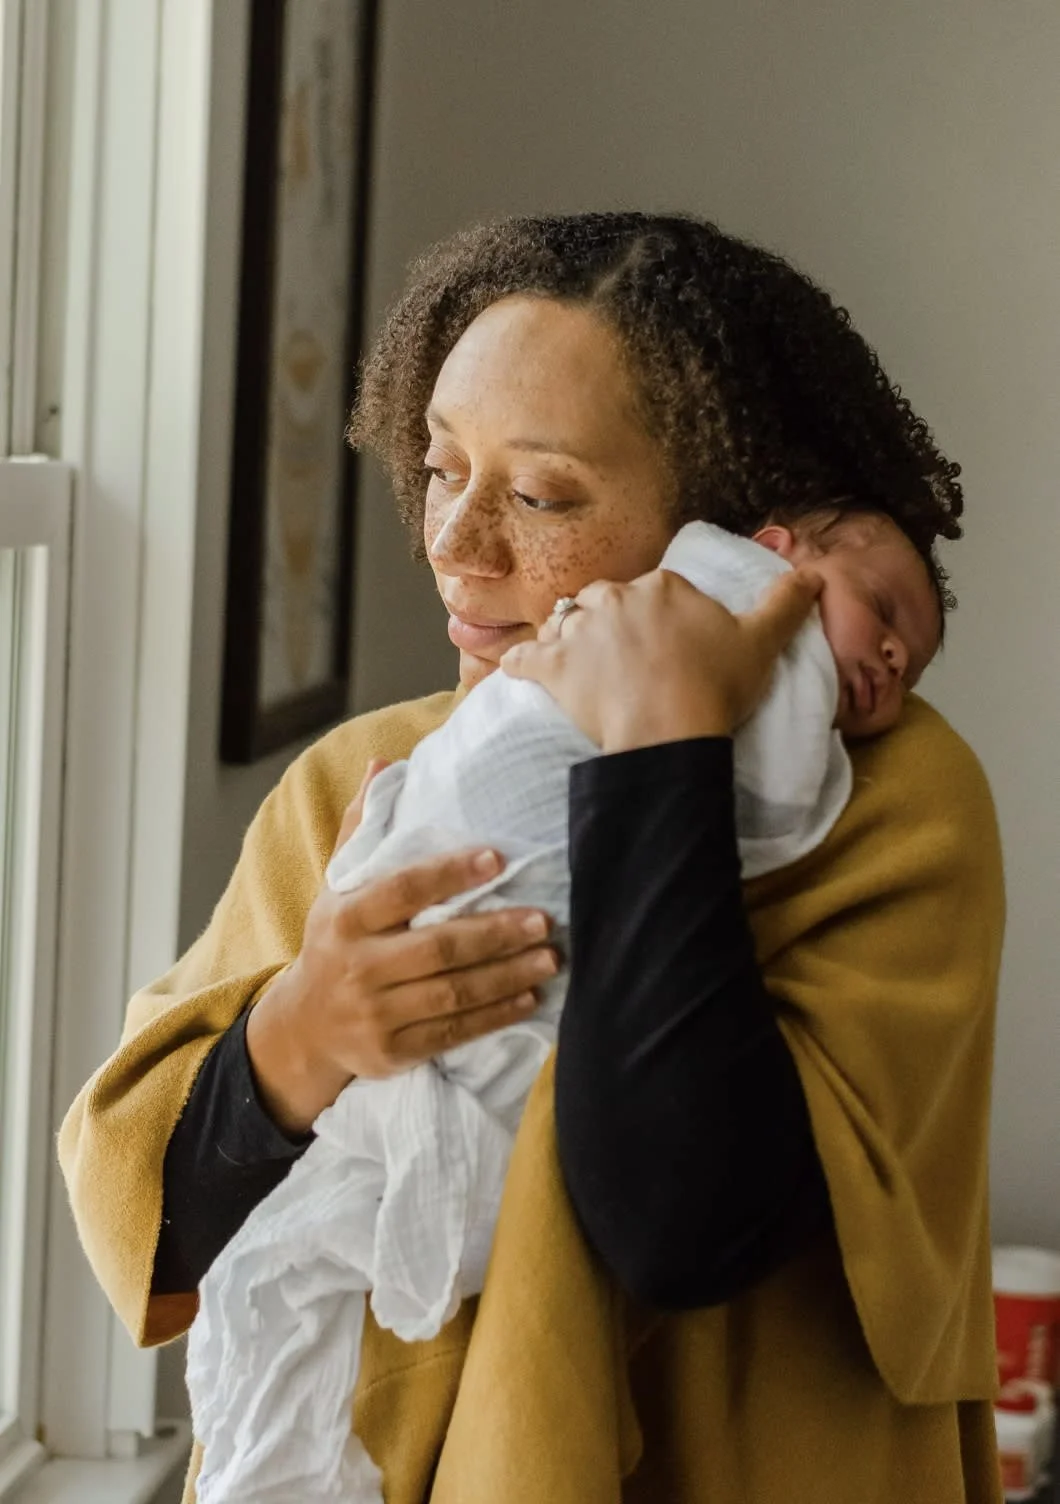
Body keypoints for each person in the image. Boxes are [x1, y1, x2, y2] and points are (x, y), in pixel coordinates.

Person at [59, 212, 1005, 1504]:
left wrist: (663, 740)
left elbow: (681, 1216)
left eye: (542, 493)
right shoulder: (361, 787)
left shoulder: (894, 815)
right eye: (443, 467)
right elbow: (151, 1217)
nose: (456, 542)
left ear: (723, 537)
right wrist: (299, 1036)